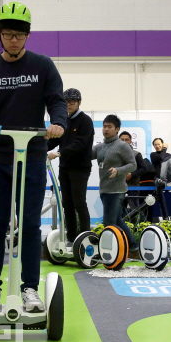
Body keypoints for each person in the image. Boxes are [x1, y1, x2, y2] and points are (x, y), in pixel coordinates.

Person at [0, 2, 67, 313]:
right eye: (8, 34)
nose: (14, 40)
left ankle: (29, 289)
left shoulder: (43, 66)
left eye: (20, 35)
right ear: (0, 35)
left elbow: (57, 102)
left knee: (30, 224)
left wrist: (59, 124)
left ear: (27, 36)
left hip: (34, 154)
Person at [47, 88, 94, 245]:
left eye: (72, 101)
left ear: (79, 102)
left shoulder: (85, 121)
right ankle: (71, 238)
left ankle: (86, 238)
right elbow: (54, 140)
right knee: (67, 203)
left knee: (79, 202)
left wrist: (59, 153)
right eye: (66, 101)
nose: (69, 104)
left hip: (80, 168)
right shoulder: (64, 121)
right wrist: (39, 147)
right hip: (65, 167)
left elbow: (80, 144)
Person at [92, 115, 138, 256]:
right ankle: (134, 247)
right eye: (104, 126)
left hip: (117, 190)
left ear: (117, 129)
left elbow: (133, 165)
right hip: (104, 189)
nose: (106, 129)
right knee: (118, 220)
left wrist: (119, 171)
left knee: (109, 223)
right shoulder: (100, 146)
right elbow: (86, 155)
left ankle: (110, 252)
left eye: (109, 126)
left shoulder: (123, 146)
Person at [118, 131, 147, 216]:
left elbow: (144, 169)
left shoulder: (136, 154)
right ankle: (121, 229)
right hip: (118, 187)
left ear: (130, 142)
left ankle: (136, 228)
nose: (124, 141)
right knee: (120, 211)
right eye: (122, 139)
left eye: (127, 139)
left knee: (135, 211)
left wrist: (132, 174)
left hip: (132, 187)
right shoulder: (115, 154)